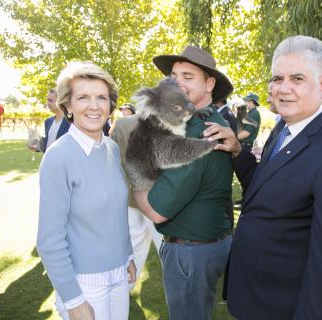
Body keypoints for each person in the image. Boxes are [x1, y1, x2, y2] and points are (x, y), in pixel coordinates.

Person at [204, 35, 322, 319]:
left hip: (286, 305)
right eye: (277, 78)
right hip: (256, 294)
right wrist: (237, 150)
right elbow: (265, 188)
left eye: (297, 78)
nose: (282, 88)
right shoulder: (285, 127)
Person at [133, 45, 234, 320]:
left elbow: (156, 210)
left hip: (191, 252)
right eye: (174, 75)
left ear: (210, 84)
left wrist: (134, 176)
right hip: (204, 245)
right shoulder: (209, 121)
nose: (177, 83)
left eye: (188, 76)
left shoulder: (196, 132)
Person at [36, 61, 136, 320]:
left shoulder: (112, 149)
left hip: (119, 276)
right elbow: (49, 240)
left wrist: (127, 256)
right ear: (67, 105)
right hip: (84, 284)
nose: (94, 106)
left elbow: (117, 213)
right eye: (83, 97)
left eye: (101, 97)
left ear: (110, 104)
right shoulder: (58, 157)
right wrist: (73, 299)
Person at [109, 112, 162, 289]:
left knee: (132, 250)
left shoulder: (122, 124)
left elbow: (111, 161)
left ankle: (123, 290)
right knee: (167, 252)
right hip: (160, 202)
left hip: (130, 197)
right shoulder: (169, 125)